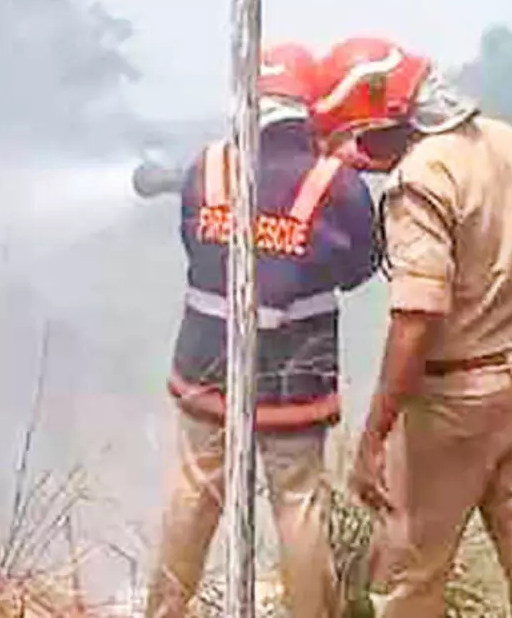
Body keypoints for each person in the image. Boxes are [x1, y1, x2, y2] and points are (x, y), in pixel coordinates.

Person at [316, 36, 512, 618]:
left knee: (410, 576)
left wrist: (374, 435)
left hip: (451, 402)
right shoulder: (510, 142)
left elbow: (417, 318)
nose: (368, 153)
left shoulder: (420, 178)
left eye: (366, 138)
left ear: (389, 120)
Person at [144, 42, 379, 618]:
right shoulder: (336, 182)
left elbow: (192, 244)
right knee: (297, 501)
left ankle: (165, 610)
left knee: (195, 490)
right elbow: (359, 269)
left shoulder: (207, 166)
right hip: (294, 371)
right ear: (309, 107)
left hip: (205, 361)